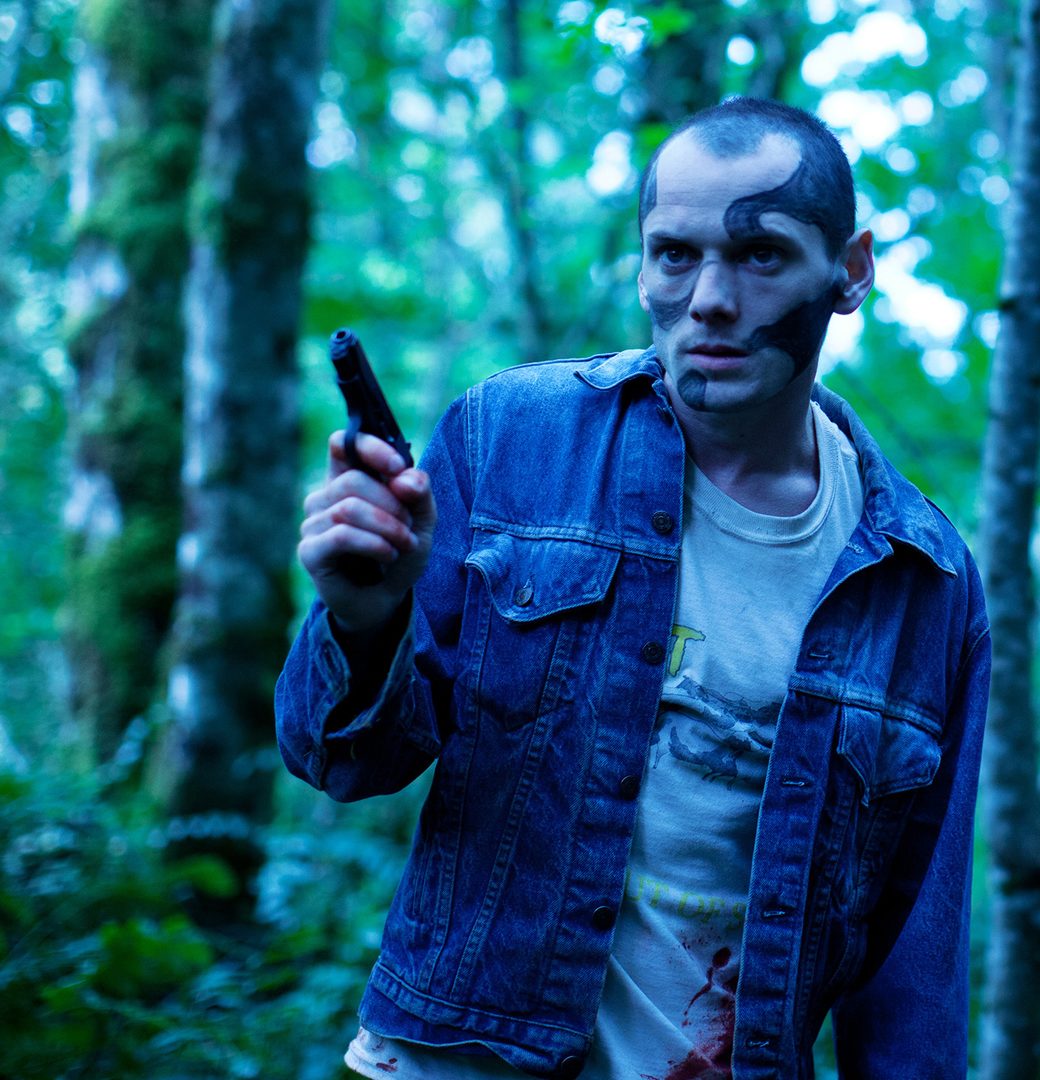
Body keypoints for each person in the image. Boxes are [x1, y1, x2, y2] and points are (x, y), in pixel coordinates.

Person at [276, 97, 988, 1080]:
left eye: (761, 255)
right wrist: (365, 618)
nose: (710, 299)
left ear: (851, 271)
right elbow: (348, 763)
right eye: (675, 254)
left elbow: (914, 969)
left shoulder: (923, 579)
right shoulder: (509, 438)